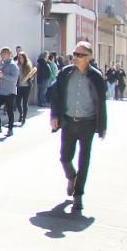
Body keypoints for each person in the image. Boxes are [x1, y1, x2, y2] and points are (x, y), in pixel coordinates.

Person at [49, 41, 106, 211]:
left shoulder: (96, 76)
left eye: (80, 55)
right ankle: (71, 177)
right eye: (74, 54)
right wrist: (54, 116)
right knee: (65, 158)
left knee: (84, 160)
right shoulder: (65, 73)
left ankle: (78, 195)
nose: (76, 57)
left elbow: (101, 103)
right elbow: (55, 95)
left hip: (87, 123)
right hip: (68, 121)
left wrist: (102, 126)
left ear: (89, 57)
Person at [0, 46, 19, 136]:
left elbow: (14, 78)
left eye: (4, 54)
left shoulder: (13, 65)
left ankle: (10, 129)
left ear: (9, 54)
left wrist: (3, 76)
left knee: (9, 111)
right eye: (1, 54)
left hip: (10, 91)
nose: (2, 56)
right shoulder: (2, 64)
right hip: (1, 91)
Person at [15, 52, 36, 125]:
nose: (20, 59)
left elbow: (31, 75)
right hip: (19, 86)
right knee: (17, 102)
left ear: (24, 58)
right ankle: (21, 114)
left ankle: (24, 118)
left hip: (27, 86)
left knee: (24, 102)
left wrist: (29, 77)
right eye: (19, 58)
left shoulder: (27, 66)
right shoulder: (17, 65)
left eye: (22, 58)